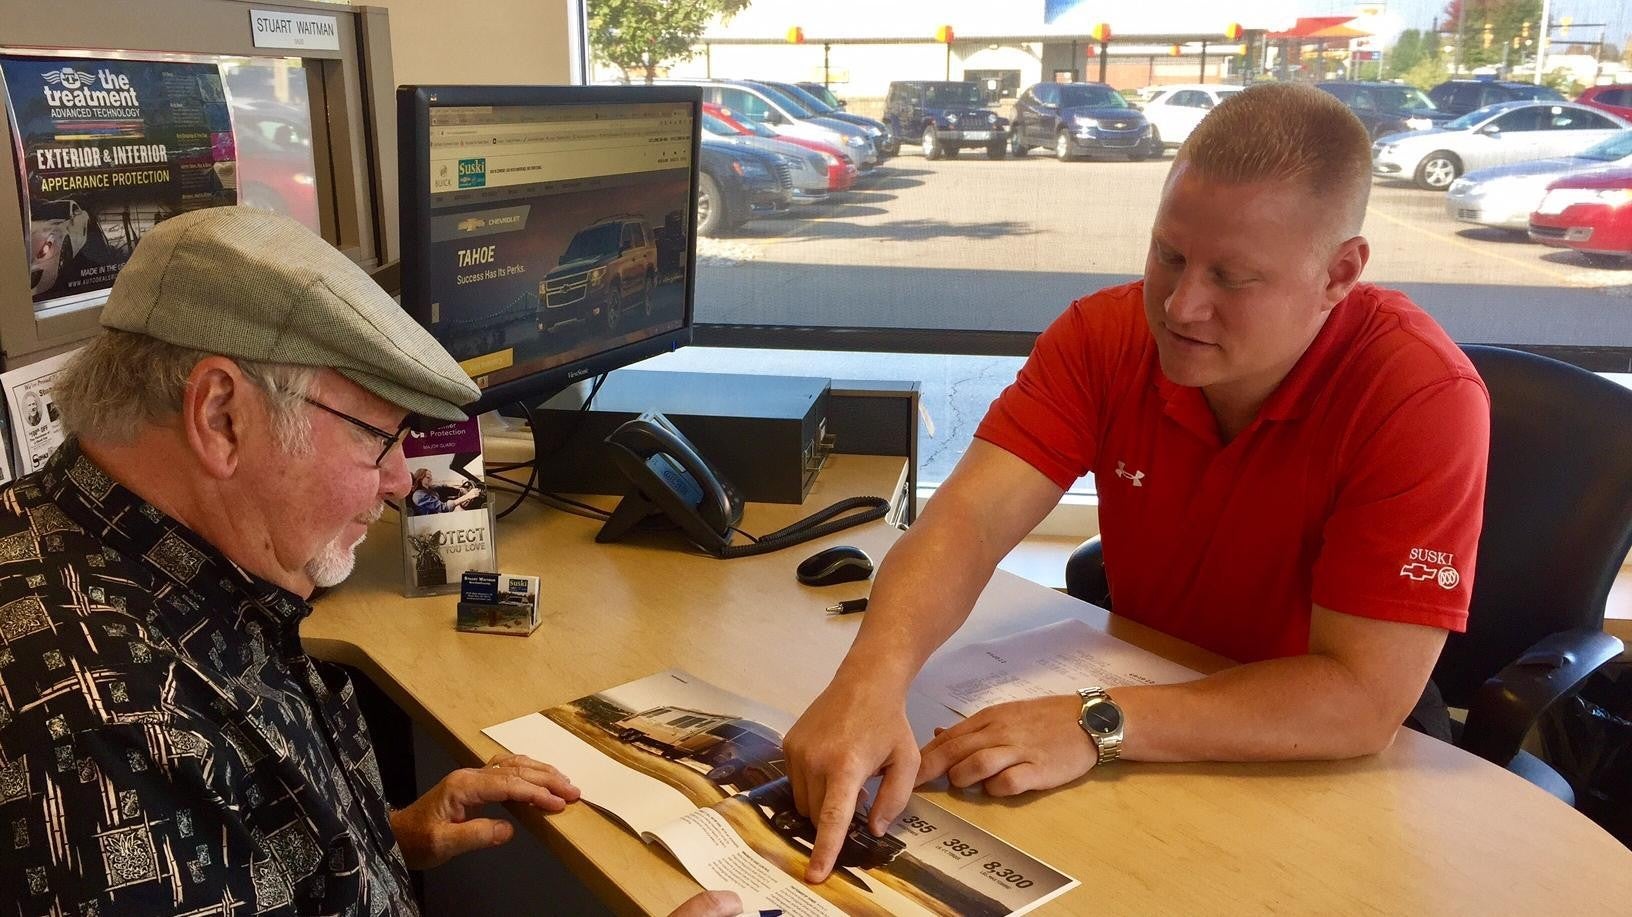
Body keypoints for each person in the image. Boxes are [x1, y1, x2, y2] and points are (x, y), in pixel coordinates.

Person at [784, 82, 1491, 883]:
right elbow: (968, 525)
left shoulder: (1419, 396)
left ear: (1340, 273)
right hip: (1153, 706)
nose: (1182, 306)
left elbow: (1361, 700)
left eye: (1233, 277)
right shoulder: (1104, 335)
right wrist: (868, 678)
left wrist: (1098, 722)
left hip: (1315, 754)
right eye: (1169, 254)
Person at [0, 207, 740, 917]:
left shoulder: (150, 553)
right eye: (377, 438)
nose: (399, 481)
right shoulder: (100, 732)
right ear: (222, 416)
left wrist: (380, 835)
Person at [409, 466, 484, 514]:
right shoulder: (418, 495)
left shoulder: (430, 489)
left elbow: (443, 488)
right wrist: (467, 496)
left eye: (431, 477)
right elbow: (443, 508)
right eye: (428, 477)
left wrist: (460, 490)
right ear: (420, 478)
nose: (431, 479)